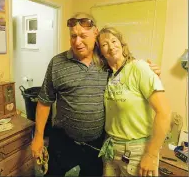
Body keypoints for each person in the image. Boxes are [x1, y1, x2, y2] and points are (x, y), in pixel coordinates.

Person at [31, 12, 161, 176]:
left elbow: (129, 68)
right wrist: (38, 137)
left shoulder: (107, 60)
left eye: (83, 36)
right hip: (63, 140)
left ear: (95, 33)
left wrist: (151, 71)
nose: (77, 42)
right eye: (73, 36)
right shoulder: (57, 62)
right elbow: (44, 101)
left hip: (96, 144)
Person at [97, 27, 171, 177]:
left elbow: (164, 112)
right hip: (111, 148)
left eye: (114, 41)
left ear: (122, 44)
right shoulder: (107, 75)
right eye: (105, 44)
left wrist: (151, 154)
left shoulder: (139, 68)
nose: (111, 47)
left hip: (137, 150)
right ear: (100, 51)